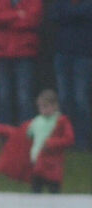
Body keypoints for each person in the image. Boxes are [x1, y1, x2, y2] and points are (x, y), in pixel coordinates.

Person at [0, 89, 75, 193]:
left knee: (54, 195)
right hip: (37, 166)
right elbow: (20, 134)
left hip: (53, 167)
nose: (42, 110)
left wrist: (51, 143)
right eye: (40, 107)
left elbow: (69, 139)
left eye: (46, 106)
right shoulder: (36, 122)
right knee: (35, 196)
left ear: (55, 106)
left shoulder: (61, 121)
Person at [0, 0, 42, 125]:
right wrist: (17, 14)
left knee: (24, 95)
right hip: (2, 53)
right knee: (3, 95)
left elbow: (31, 21)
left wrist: (5, 20)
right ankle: (3, 134)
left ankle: (26, 133)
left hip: (25, 53)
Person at [49, 0, 92, 152]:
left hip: (84, 54)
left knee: (81, 98)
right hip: (62, 53)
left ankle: (83, 140)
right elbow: (53, 15)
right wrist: (77, 14)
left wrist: (68, 14)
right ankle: (65, 139)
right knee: (64, 98)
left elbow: (86, 12)